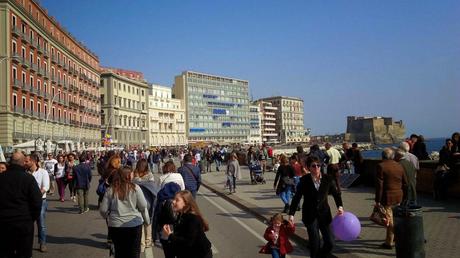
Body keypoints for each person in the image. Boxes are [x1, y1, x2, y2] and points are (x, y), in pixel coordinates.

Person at [288, 156, 344, 258]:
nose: (317, 168)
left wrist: (340, 207)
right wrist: (291, 214)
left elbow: (336, 194)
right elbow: (297, 197)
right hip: (310, 216)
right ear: (309, 168)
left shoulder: (327, 178)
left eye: (318, 165)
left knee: (330, 243)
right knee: (315, 243)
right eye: (313, 166)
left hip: (325, 215)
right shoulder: (304, 180)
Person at [99, 166, 149, 258]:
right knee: (134, 252)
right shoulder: (135, 188)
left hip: (116, 225)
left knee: (119, 252)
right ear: (128, 175)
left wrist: (108, 216)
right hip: (134, 224)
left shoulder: (111, 189)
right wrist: (146, 221)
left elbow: (103, 210)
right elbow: (143, 206)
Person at [0, 151, 42, 258]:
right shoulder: (28, 178)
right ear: (23, 162)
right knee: (24, 253)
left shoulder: (2, 177)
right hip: (23, 223)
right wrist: (31, 218)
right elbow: (37, 202)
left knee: (5, 252)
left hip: (4, 223)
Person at [162, 190, 212, 258]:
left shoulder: (193, 219)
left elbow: (188, 242)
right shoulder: (181, 215)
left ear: (186, 203)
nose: (173, 202)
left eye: (177, 200)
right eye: (174, 199)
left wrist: (170, 236)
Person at [375, 148, 407, 249]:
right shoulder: (399, 166)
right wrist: (404, 196)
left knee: (389, 220)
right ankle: (396, 237)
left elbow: (379, 185)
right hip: (398, 195)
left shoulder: (381, 166)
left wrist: (377, 200)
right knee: (395, 218)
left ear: (383, 156)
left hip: (387, 197)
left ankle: (389, 243)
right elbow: (405, 183)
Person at [24, 153, 50, 253]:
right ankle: (26, 244)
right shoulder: (25, 173)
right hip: (27, 202)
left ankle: (42, 243)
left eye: (27, 161)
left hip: (40, 201)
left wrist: (35, 196)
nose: (25, 163)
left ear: (33, 161)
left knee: (41, 223)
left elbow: (45, 187)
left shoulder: (43, 172)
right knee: (27, 224)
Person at [133, 159, 156, 252]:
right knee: (148, 221)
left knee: (140, 223)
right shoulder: (150, 176)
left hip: (137, 203)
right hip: (148, 202)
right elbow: (154, 191)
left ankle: (141, 245)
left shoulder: (134, 177)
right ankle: (148, 241)